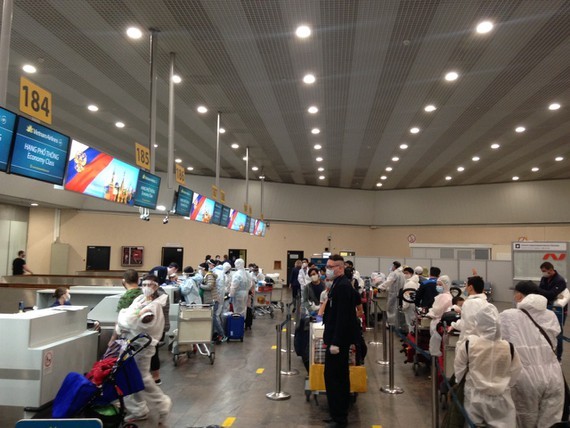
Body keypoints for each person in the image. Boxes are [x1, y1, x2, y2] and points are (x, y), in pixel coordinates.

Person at [499, 280, 564, 428]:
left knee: (525, 420)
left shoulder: (508, 316)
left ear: (520, 296)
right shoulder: (551, 315)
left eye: (515, 293)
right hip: (554, 375)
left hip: (525, 377)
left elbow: (497, 342)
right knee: (550, 422)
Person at [454, 303, 522, 428]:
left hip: (474, 395)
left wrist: (462, 382)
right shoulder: (509, 347)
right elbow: (516, 371)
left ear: (478, 323)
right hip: (502, 398)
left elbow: (459, 369)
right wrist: (504, 385)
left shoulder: (470, 344)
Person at [115, 275, 172, 423]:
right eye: (144, 283)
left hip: (143, 347)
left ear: (156, 286)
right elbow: (126, 318)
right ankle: (138, 408)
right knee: (133, 376)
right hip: (131, 343)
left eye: (150, 284)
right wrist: (125, 320)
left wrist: (124, 319)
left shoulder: (156, 306)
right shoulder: (140, 300)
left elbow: (135, 323)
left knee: (142, 378)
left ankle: (161, 403)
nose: (146, 287)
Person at [322, 254, 359, 428]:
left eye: (330, 267)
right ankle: (335, 413)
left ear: (340, 267)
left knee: (336, 378)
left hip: (339, 340)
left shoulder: (343, 286)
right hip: (333, 336)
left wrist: (336, 341)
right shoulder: (337, 284)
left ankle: (340, 418)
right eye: (327, 266)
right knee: (333, 377)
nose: (327, 270)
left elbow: (343, 316)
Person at [377, 261, 406, 326]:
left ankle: (391, 324)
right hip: (400, 294)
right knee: (397, 309)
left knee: (391, 309)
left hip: (393, 294)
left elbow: (388, 282)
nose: (391, 267)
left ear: (395, 266)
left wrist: (380, 287)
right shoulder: (401, 273)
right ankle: (397, 324)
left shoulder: (394, 273)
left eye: (392, 266)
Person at [402, 266, 419, 332]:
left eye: (406, 273)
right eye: (404, 273)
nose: (405, 275)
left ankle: (411, 337)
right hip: (414, 304)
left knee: (410, 322)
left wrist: (404, 306)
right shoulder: (415, 282)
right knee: (412, 322)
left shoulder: (410, 283)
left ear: (411, 273)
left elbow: (407, 296)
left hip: (409, 305)